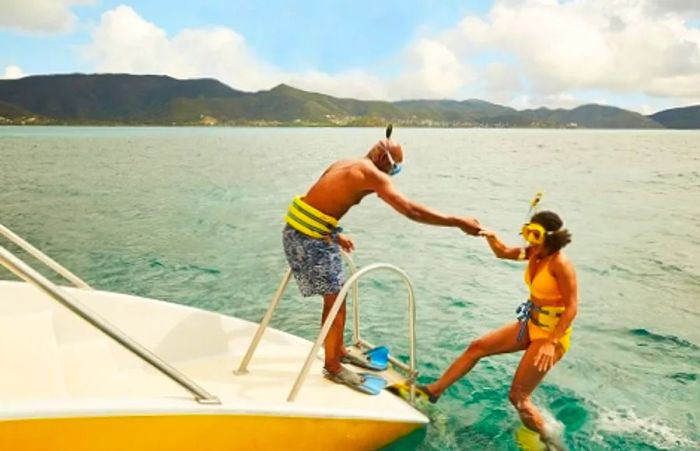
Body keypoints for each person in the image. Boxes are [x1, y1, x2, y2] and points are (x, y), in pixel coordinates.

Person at [282, 126, 481, 393]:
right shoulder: (372, 174)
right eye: (393, 170)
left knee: (339, 294)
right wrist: (457, 221)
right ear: (384, 160)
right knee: (335, 299)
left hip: (300, 232)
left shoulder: (343, 163)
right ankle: (333, 366)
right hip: (308, 239)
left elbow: (317, 201)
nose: (389, 176)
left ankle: (338, 349)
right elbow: (411, 210)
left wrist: (334, 234)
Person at [417, 210, 577, 445]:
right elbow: (503, 253)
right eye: (527, 231)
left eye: (535, 234)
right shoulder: (534, 253)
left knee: (518, 397)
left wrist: (551, 343)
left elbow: (572, 308)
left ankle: (550, 442)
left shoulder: (560, 264)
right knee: (477, 347)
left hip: (550, 336)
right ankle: (433, 391)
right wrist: (491, 237)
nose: (529, 239)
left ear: (550, 237)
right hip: (530, 324)